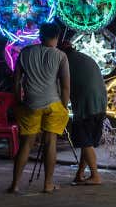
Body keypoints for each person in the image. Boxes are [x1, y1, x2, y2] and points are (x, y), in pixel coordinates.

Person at [8, 22, 70, 194]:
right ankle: (48, 184)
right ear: (56, 37)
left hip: (29, 104)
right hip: (53, 104)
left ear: (40, 35)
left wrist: (17, 101)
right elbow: (65, 87)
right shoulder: (61, 56)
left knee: (26, 144)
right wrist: (64, 108)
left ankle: (15, 185)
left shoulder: (25, 53)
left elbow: (16, 81)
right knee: (51, 143)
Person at [60, 37, 108, 186]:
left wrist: (61, 106)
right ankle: (80, 174)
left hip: (86, 106)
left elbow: (63, 86)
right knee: (85, 141)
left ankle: (95, 175)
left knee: (84, 140)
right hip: (100, 104)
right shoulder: (84, 57)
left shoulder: (65, 61)